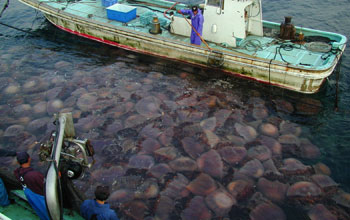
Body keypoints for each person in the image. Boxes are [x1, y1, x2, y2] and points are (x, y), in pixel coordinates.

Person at [14, 151, 50, 220]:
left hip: (28, 193)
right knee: (48, 212)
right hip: (39, 196)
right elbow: (46, 186)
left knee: (38, 209)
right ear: (29, 159)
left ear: (18, 162)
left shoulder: (17, 172)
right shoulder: (35, 175)